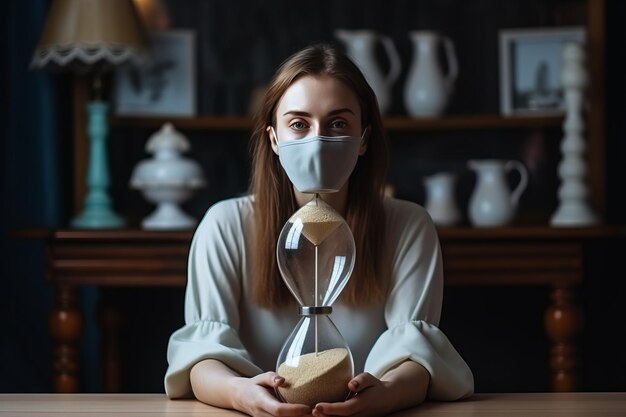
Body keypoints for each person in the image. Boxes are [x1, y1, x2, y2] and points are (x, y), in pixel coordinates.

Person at [165, 43, 474, 417]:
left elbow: (417, 352)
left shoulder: (406, 225)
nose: (318, 140)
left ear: (363, 139)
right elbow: (202, 356)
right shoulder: (225, 225)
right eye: (299, 124)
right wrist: (242, 395)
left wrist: (388, 394)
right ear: (274, 139)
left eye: (338, 124)